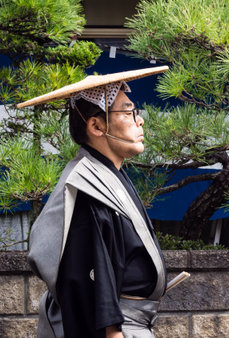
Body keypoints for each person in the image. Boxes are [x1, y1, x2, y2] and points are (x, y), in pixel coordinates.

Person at [17, 67, 169, 338]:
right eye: (128, 112)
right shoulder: (88, 187)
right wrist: (113, 332)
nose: (140, 121)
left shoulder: (107, 174)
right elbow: (94, 274)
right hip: (118, 329)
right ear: (96, 126)